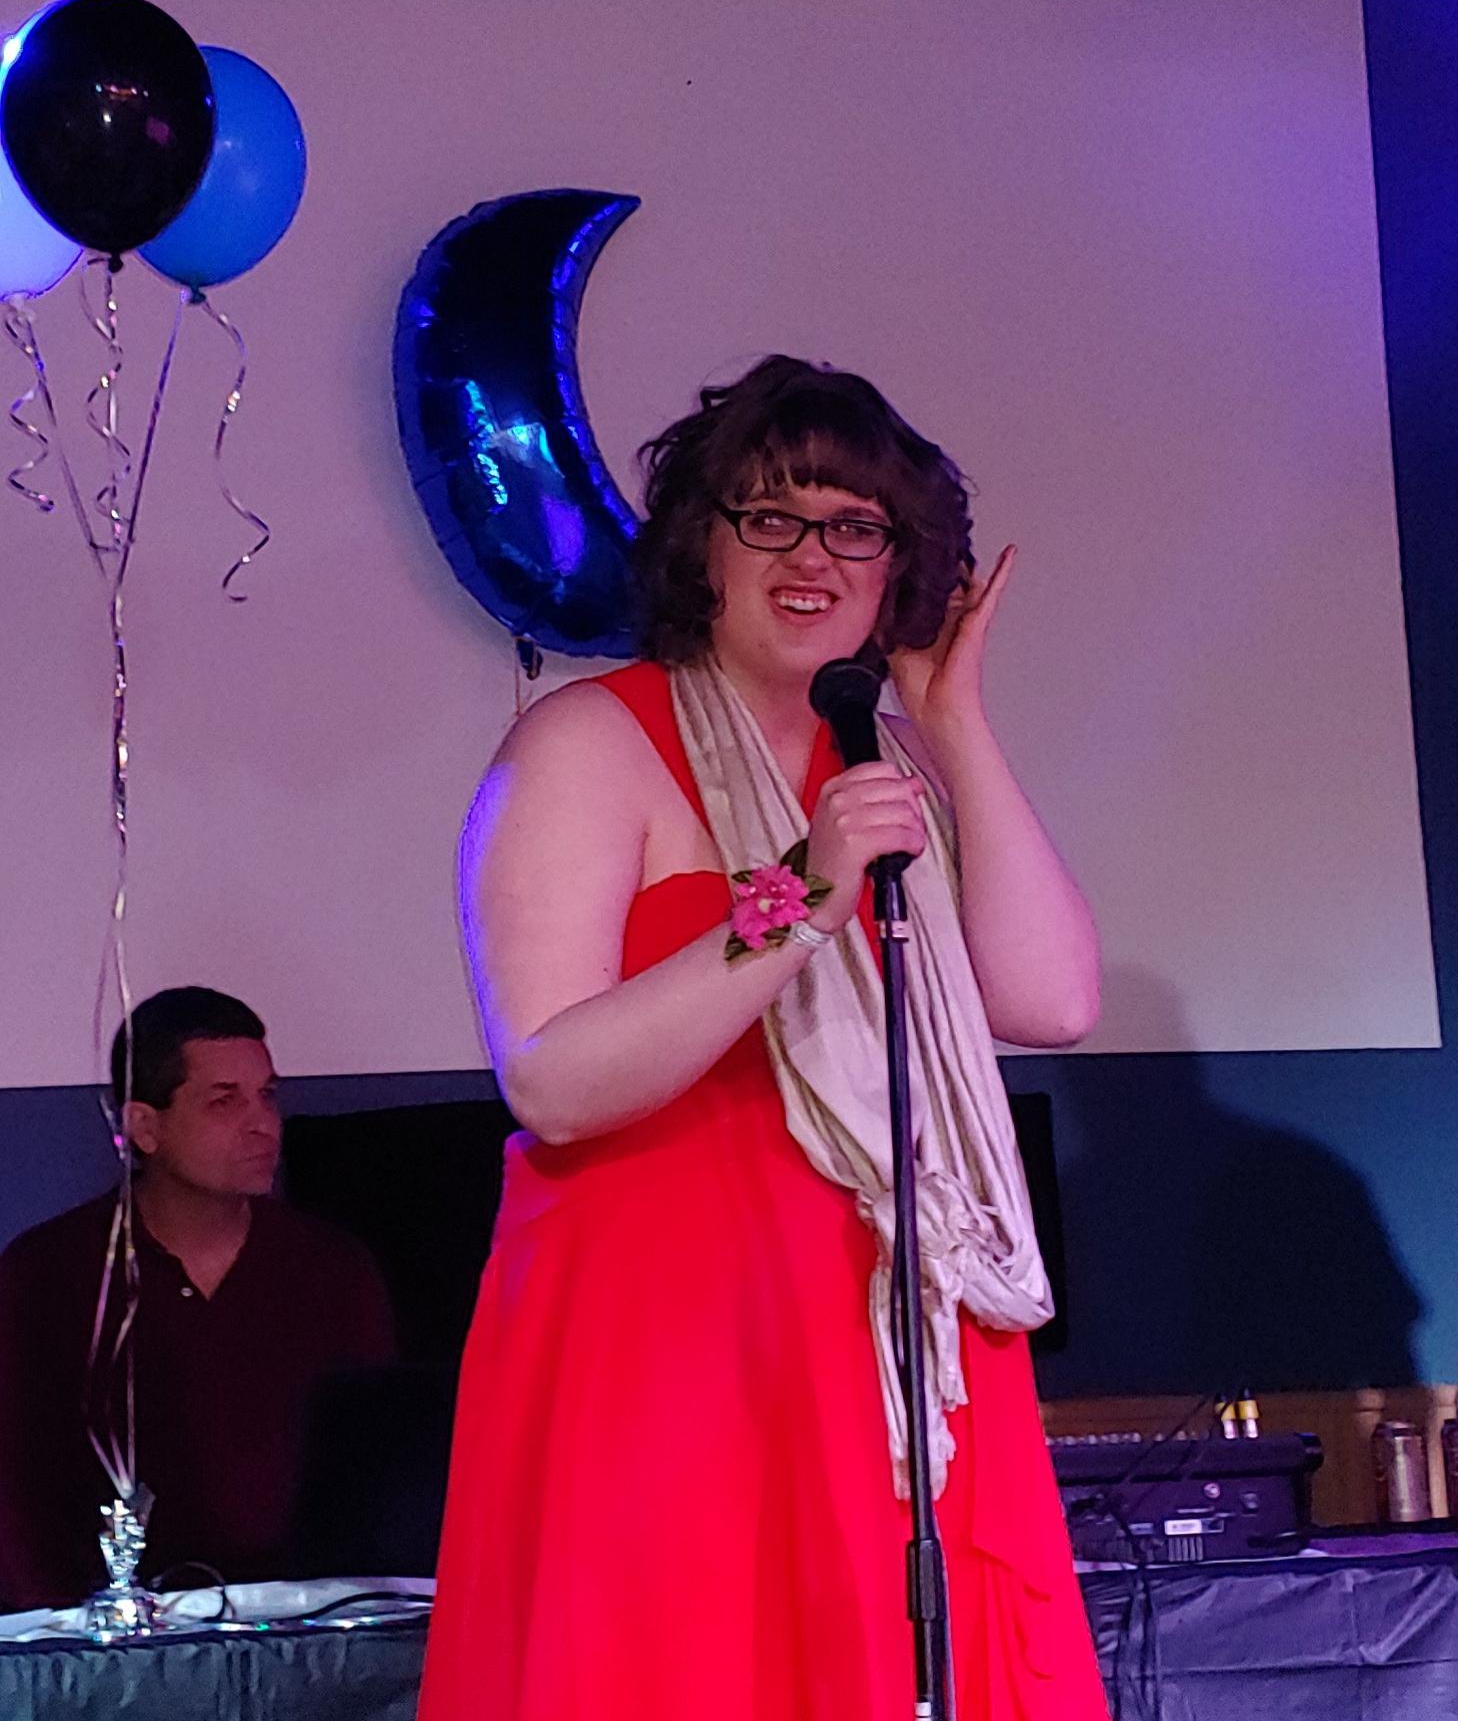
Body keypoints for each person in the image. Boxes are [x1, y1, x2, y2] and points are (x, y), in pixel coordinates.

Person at [419, 355, 1108, 1719]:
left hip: (888, 1342)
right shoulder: (587, 741)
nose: (812, 556)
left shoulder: (895, 762)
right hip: (669, 1350)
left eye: (855, 527)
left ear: (898, 567)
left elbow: (1052, 1002)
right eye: (771, 515)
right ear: (705, 543)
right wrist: (797, 898)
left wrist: (954, 722)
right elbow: (548, 1079)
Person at [0, 987, 395, 1611]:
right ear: (145, 1126)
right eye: (224, 1101)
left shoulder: (331, 1269)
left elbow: (381, 1472)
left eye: (268, 1095)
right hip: (107, 1633)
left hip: (306, 1621)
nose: (262, 1124)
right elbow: (13, 1492)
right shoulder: (49, 1273)